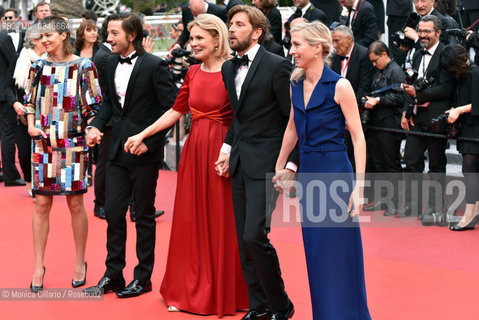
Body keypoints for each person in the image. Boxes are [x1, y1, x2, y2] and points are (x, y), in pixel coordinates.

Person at [124, 13, 248, 315]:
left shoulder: (233, 71)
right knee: (192, 218)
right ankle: (188, 288)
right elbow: (175, 112)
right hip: (194, 153)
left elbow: (244, 117)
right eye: (191, 38)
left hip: (223, 151)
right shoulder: (192, 73)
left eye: (198, 39)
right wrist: (143, 133)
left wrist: (232, 152)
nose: (191, 44)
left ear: (216, 40)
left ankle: (224, 290)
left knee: (223, 220)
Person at [273, 20, 371, 320]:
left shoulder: (340, 85)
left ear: (317, 48)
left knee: (339, 253)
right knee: (316, 253)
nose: (292, 50)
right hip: (310, 175)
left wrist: (359, 186)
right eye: (291, 44)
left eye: (297, 44)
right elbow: (292, 126)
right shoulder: (295, 83)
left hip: (335, 175)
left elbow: (357, 137)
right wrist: (280, 165)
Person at [83, 13, 176, 298]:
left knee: (144, 216)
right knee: (112, 214)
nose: (108, 38)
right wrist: (95, 125)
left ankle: (143, 277)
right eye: (107, 33)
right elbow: (109, 105)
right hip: (115, 150)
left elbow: (171, 109)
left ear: (131, 35)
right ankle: (113, 273)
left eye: (114, 34)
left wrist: (151, 141)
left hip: (144, 152)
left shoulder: (155, 65)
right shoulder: (109, 62)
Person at [215, 5, 297, 320]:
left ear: (257, 31)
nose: (231, 29)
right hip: (239, 161)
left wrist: (290, 166)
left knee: (254, 235)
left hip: (268, 164)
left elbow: (293, 120)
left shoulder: (278, 66)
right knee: (243, 240)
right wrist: (226, 149)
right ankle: (259, 304)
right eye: (229, 24)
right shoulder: (227, 68)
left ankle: (281, 305)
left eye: (238, 24)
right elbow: (239, 117)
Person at [24, 16, 101, 292]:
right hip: (44, 145)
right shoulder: (38, 67)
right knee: (41, 204)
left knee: (75, 204)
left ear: (64, 35)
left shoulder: (84, 66)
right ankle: (37, 266)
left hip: (74, 145)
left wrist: (91, 128)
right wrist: (32, 126)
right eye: (41, 35)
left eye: (50, 35)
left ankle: (80, 262)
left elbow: (95, 105)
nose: (44, 39)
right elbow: (29, 102)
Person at [400, 15, 456, 220]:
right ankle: (413, 205)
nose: (422, 35)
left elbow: (446, 88)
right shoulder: (416, 53)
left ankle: (435, 207)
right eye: (420, 30)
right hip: (416, 117)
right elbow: (410, 84)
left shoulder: (446, 54)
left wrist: (419, 94)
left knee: (436, 165)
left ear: (438, 33)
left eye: (427, 31)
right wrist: (406, 111)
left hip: (436, 118)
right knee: (411, 160)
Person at [362, 41, 405, 216]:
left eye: (375, 60)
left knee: (391, 164)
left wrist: (378, 100)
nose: (373, 64)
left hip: (390, 124)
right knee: (378, 163)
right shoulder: (380, 71)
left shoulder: (395, 71)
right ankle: (382, 199)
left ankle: (393, 202)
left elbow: (400, 97)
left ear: (384, 54)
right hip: (376, 123)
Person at [442, 45, 479, 231]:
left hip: (475, 129)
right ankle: (474, 211)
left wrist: (459, 110)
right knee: (471, 172)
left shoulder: (474, 73)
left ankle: (469, 214)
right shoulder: (464, 74)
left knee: (470, 171)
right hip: (468, 128)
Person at [12, 24, 47, 197]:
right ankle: (29, 180)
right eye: (43, 37)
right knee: (25, 152)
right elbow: (6, 85)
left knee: (45, 150)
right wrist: (14, 103)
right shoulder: (20, 57)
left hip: (45, 113)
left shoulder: (51, 59)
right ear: (34, 41)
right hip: (21, 114)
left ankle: (43, 183)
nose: (46, 40)